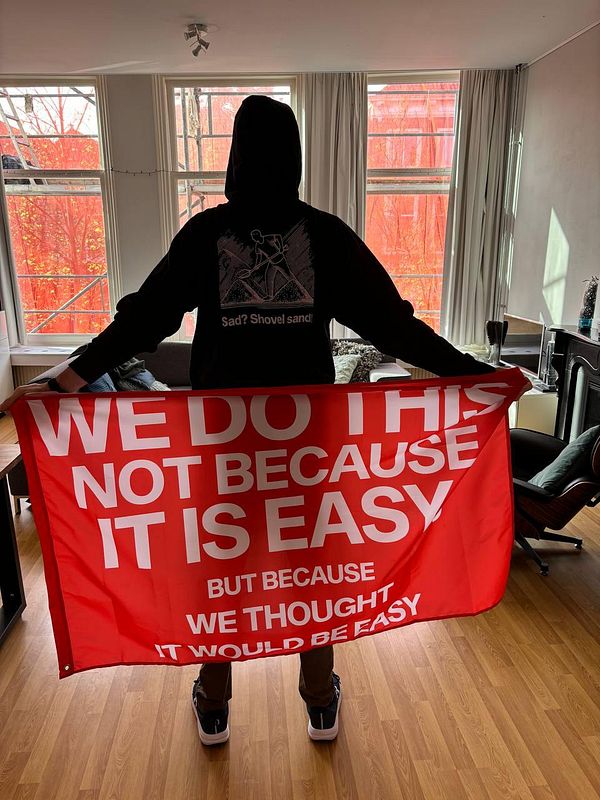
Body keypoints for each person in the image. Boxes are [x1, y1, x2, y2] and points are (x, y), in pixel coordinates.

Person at [1, 94, 502, 747]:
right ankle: (319, 701)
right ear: (294, 156)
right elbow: (393, 325)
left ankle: (214, 702)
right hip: (305, 443)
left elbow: (144, 319)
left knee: (222, 570)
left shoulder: (208, 233)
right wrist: (474, 374)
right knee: (312, 570)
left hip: (224, 443)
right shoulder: (325, 235)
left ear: (235, 155)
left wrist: (65, 379)